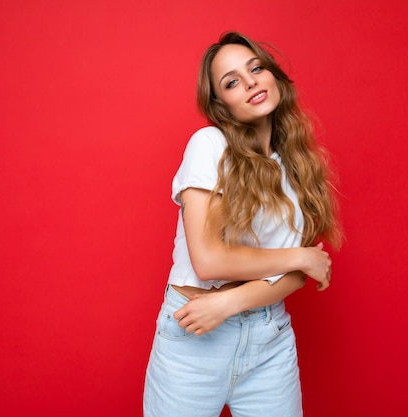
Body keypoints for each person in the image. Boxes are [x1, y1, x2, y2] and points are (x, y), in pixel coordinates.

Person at [143, 31, 343, 417]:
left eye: (257, 68)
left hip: (270, 342)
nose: (251, 81)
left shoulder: (297, 166)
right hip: (194, 338)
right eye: (232, 81)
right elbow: (209, 261)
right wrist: (301, 256)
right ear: (221, 104)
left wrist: (230, 301)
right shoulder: (210, 145)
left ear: (274, 77)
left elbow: (293, 276)